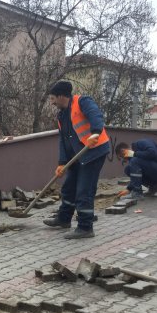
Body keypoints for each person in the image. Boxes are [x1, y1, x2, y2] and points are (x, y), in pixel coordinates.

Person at [43, 80, 111, 239]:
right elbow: (63, 141)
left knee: (84, 189)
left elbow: (96, 115)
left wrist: (95, 132)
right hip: (77, 155)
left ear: (61, 96)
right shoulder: (62, 115)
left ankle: (86, 227)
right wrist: (62, 163)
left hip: (94, 152)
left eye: (52, 99)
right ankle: (64, 219)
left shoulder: (82, 101)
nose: (51, 103)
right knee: (69, 186)